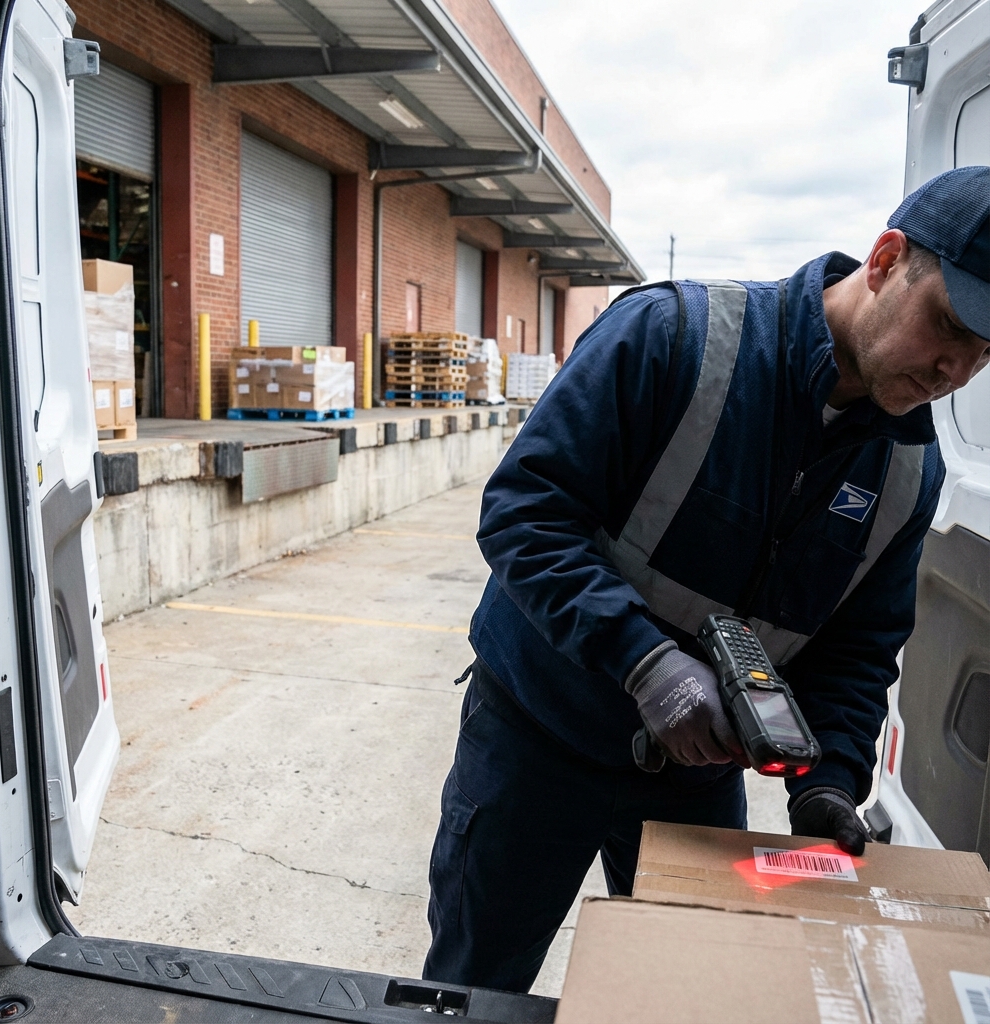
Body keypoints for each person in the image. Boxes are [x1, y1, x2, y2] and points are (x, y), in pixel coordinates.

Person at [421, 166, 990, 993]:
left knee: (686, 993)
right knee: (473, 989)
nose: (956, 370)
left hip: (693, 780)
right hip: (537, 738)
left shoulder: (910, 471)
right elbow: (522, 513)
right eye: (949, 324)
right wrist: (643, 659)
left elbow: (859, 650)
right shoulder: (672, 338)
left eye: (982, 352)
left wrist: (829, 778)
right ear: (885, 260)